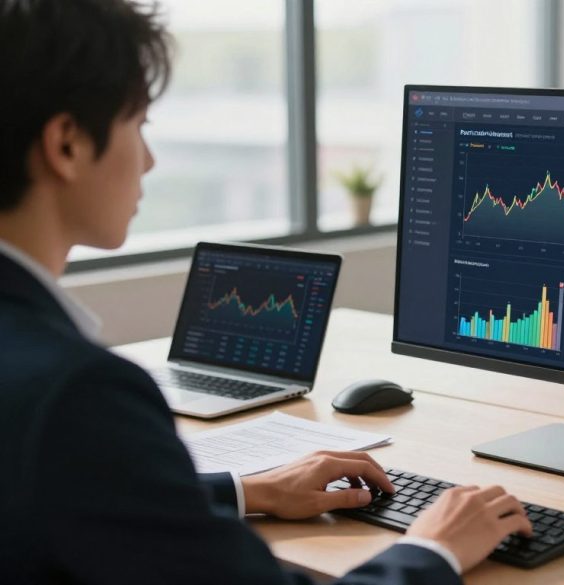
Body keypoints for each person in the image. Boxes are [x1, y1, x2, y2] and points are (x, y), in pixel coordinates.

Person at [0, 1, 532, 583]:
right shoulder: (80, 394)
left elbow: (66, 493)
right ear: (67, 143)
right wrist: (435, 549)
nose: (149, 160)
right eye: (139, 125)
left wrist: (248, 489)